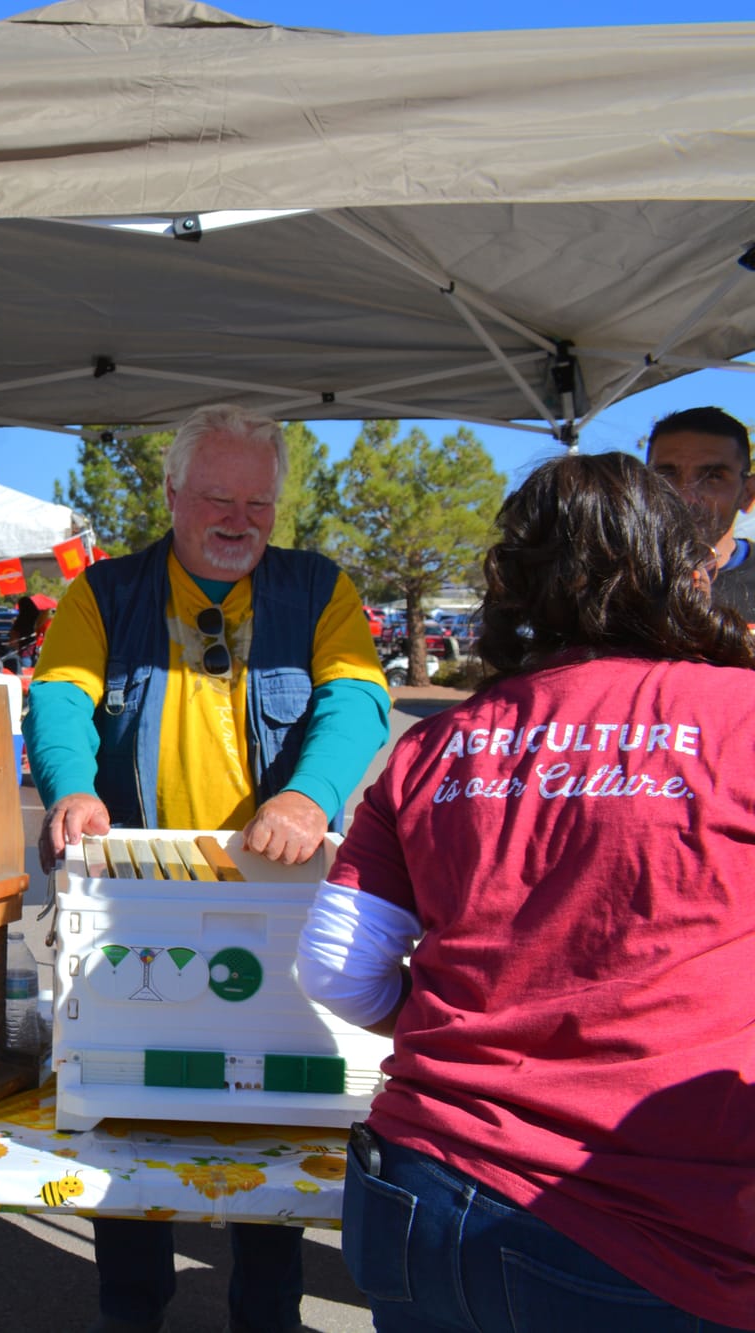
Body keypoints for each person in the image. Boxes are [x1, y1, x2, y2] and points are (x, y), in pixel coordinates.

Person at [298, 452, 755, 1332]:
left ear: (514, 581)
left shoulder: (437, 744)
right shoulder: (738, 716)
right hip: (642, 1213)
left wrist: (474, 1019)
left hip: (418, 1187)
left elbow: (335, 970)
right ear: (674, 563)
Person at [25, 404, 390, 1333]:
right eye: (218, 497)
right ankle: (130, 1310)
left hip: (281, 897)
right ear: (173, 493)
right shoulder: (102, 593)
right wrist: (70, 788)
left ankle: (266, 1314)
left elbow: (357, 703)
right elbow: (59, 700)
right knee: (127, 1106)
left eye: (259, 502)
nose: (239, 520)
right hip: (137, 897)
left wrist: (309, 797)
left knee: (276, 1113)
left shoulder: (321, 590)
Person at [643, 405, 755, 623]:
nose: (686, 497)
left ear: (747, 493)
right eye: (667, 474)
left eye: (713, 476)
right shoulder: (612, 584)